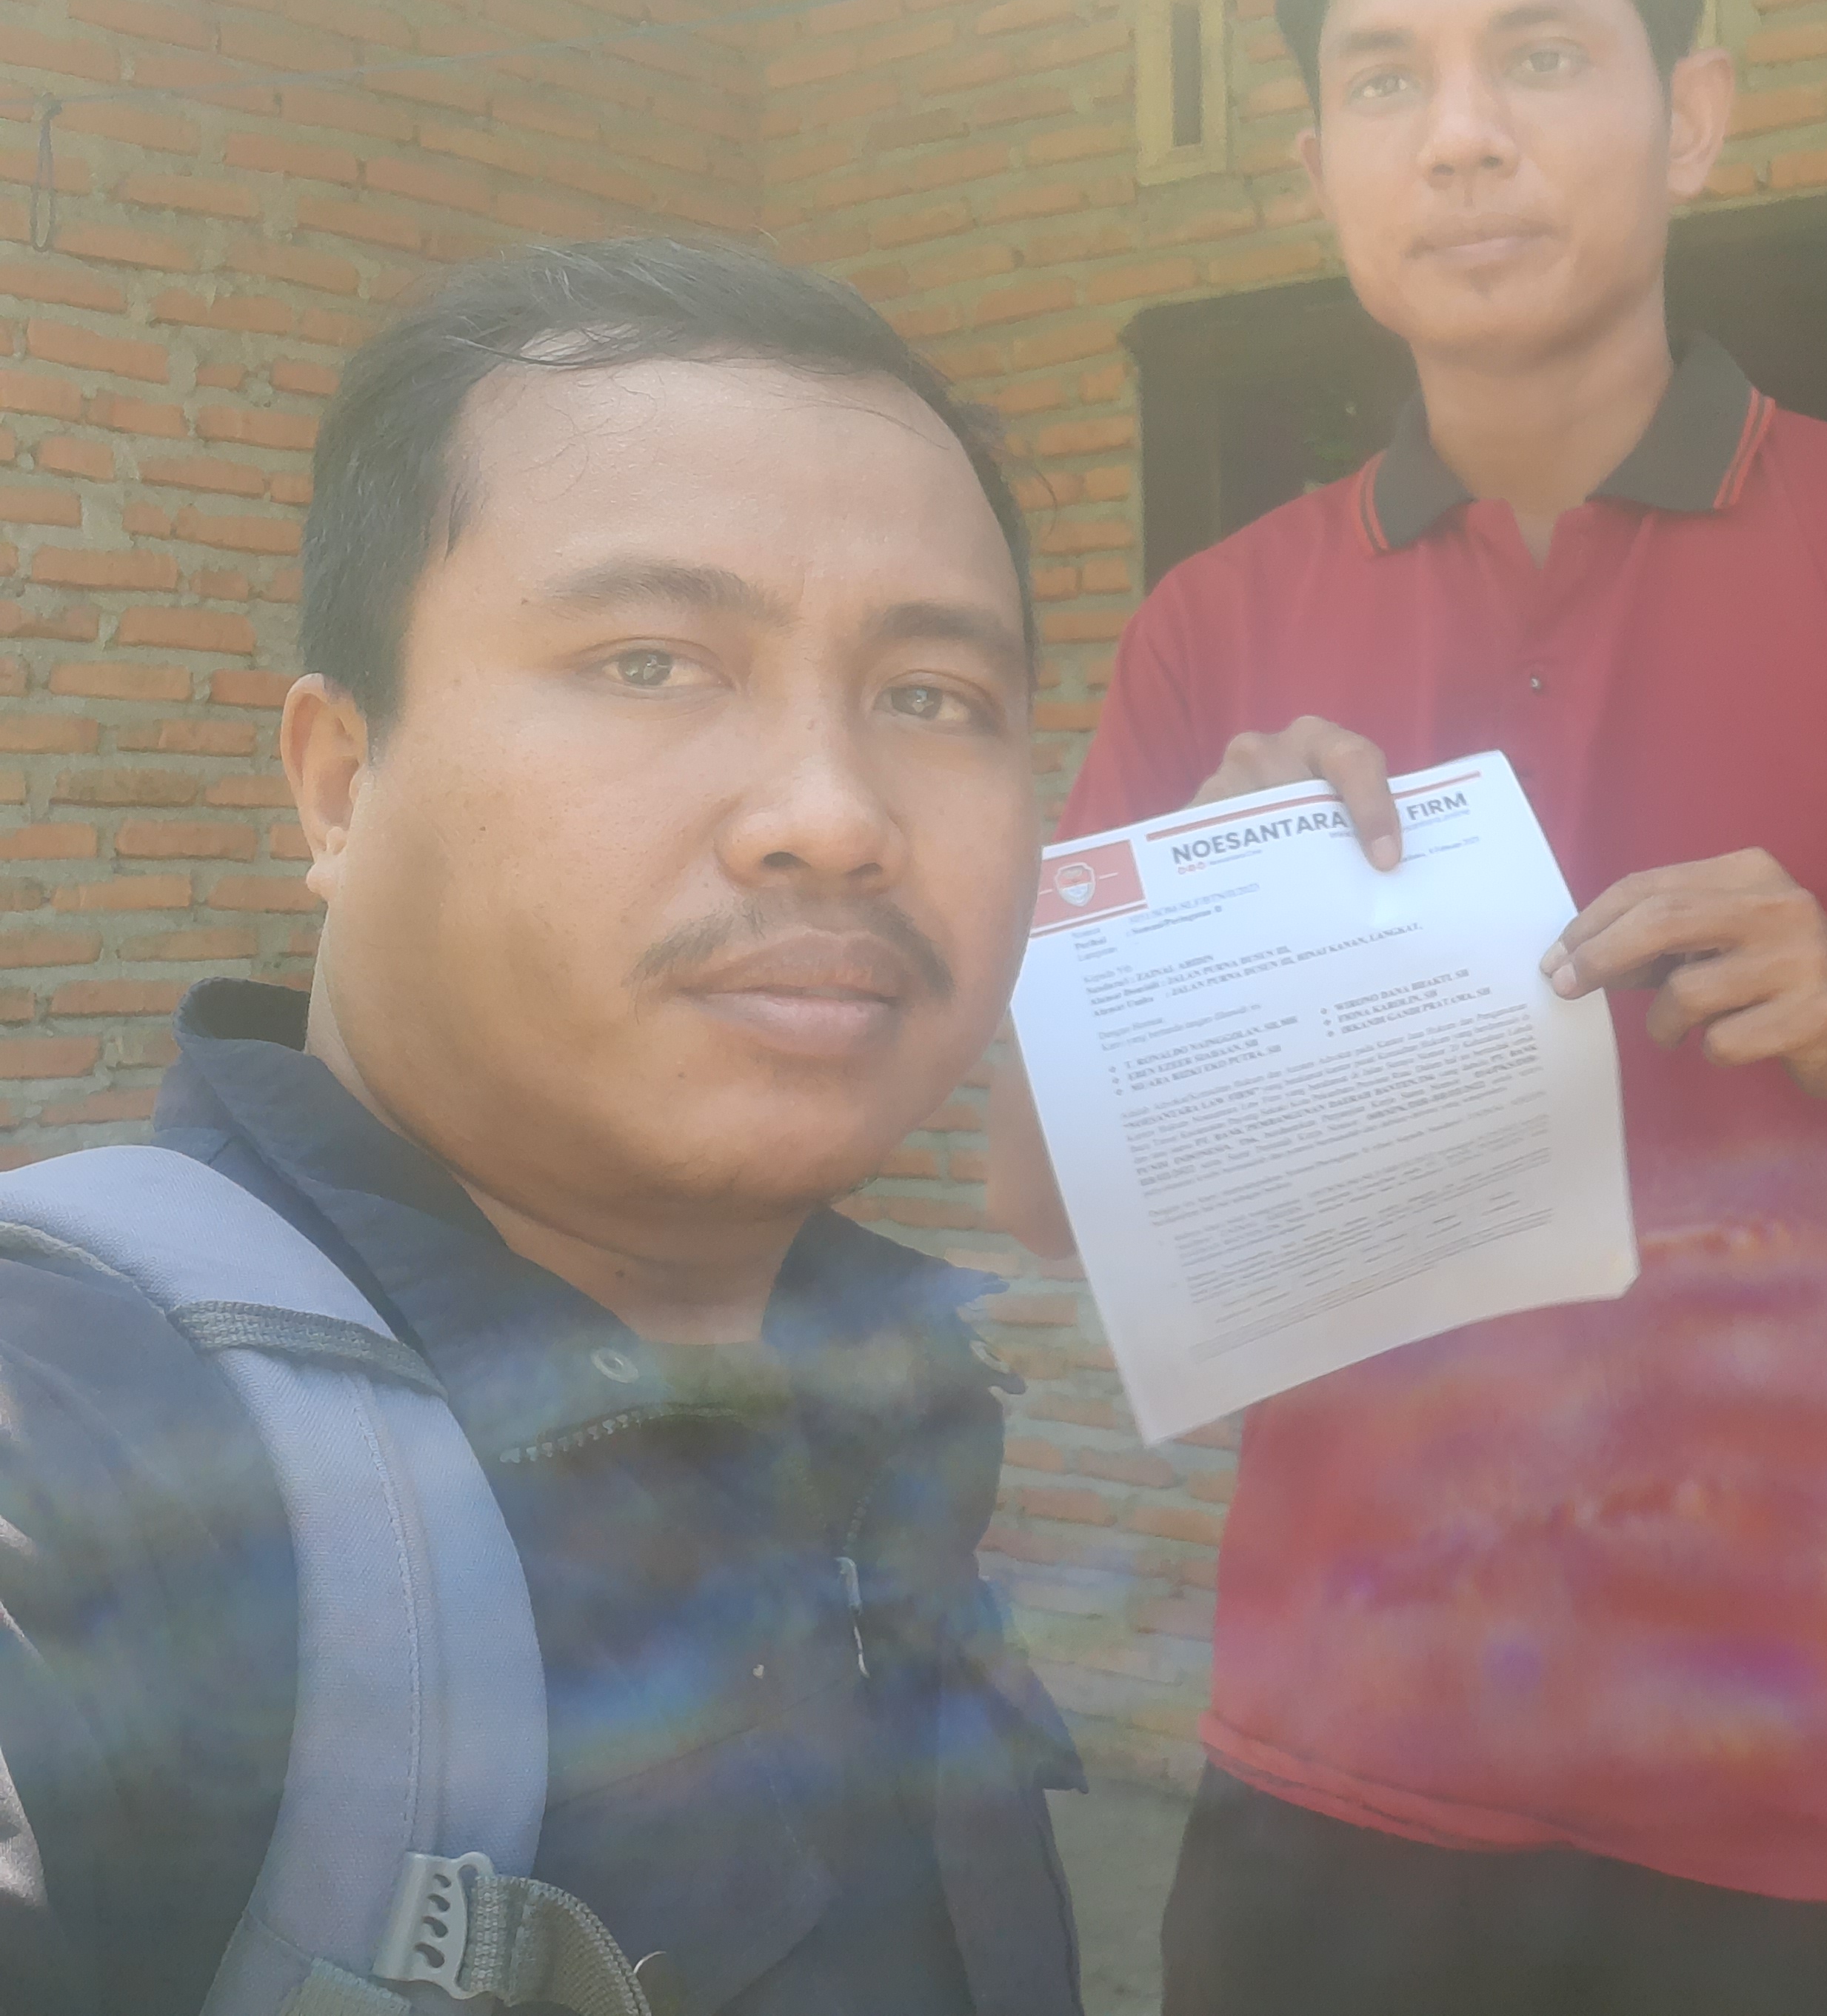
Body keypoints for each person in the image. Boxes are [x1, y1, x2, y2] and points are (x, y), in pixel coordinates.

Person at [986, 0, 1827, 2009]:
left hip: (1818, 1798)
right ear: (1314, 165)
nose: (1460, 135)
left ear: (1691, 118)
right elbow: (1041, 1203)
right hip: (1335, 1775)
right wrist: (1188, 943)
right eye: (1385, 79)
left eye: (1541, 56)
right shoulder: (1212, 632)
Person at [0, 240, 1085, 2015]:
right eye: (650, 661)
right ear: (338, 784)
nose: (834, 816)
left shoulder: (876, 1391)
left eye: (931, 697)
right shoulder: (81, 1439)